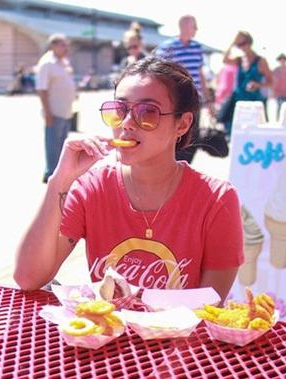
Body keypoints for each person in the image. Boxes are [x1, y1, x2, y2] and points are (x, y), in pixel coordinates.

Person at [14, 57, 244, 301]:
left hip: (178, 337)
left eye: (147, 112)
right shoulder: (92, 188)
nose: (126, 124)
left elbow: (209, 306)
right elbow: (29, 278)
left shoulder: (218, 200)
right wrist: (60, 181)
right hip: (105, 335)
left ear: (183, 124)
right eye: (119, 110)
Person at [154, 15, 214, 163]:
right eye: (194, 26)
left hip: (195, 100)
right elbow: (159, 74)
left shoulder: (197, 48)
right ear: (185, 26)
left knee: (193, 135)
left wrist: (208, 101)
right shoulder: (168, 47)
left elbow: (201, 75)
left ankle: (183, 166)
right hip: (177, 101)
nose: (196, 29)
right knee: (176, 134)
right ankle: (172, 164)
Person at [35, 34, 77, 184]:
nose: (66, 48)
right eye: (63, 45)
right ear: (54, 46)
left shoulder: (64, 62)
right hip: (54, 112)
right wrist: (47, 112)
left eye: (67, 45)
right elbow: (42, 89)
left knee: (61, 145)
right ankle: (51, 174)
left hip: (66, 111)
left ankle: (60, 174)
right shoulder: (47, 63)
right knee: (52, 145)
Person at [218, 31, 273, 138]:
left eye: (242, 43)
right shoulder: (239, 60)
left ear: (249, 42)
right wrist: (232, 43)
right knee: (237, 135)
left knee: (256, 135)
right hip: (239, 104)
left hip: (254, 104)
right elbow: (224, 60)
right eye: (239, 45)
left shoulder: (260, 61)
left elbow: (270, 82)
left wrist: (258, 85)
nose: (241, 47)